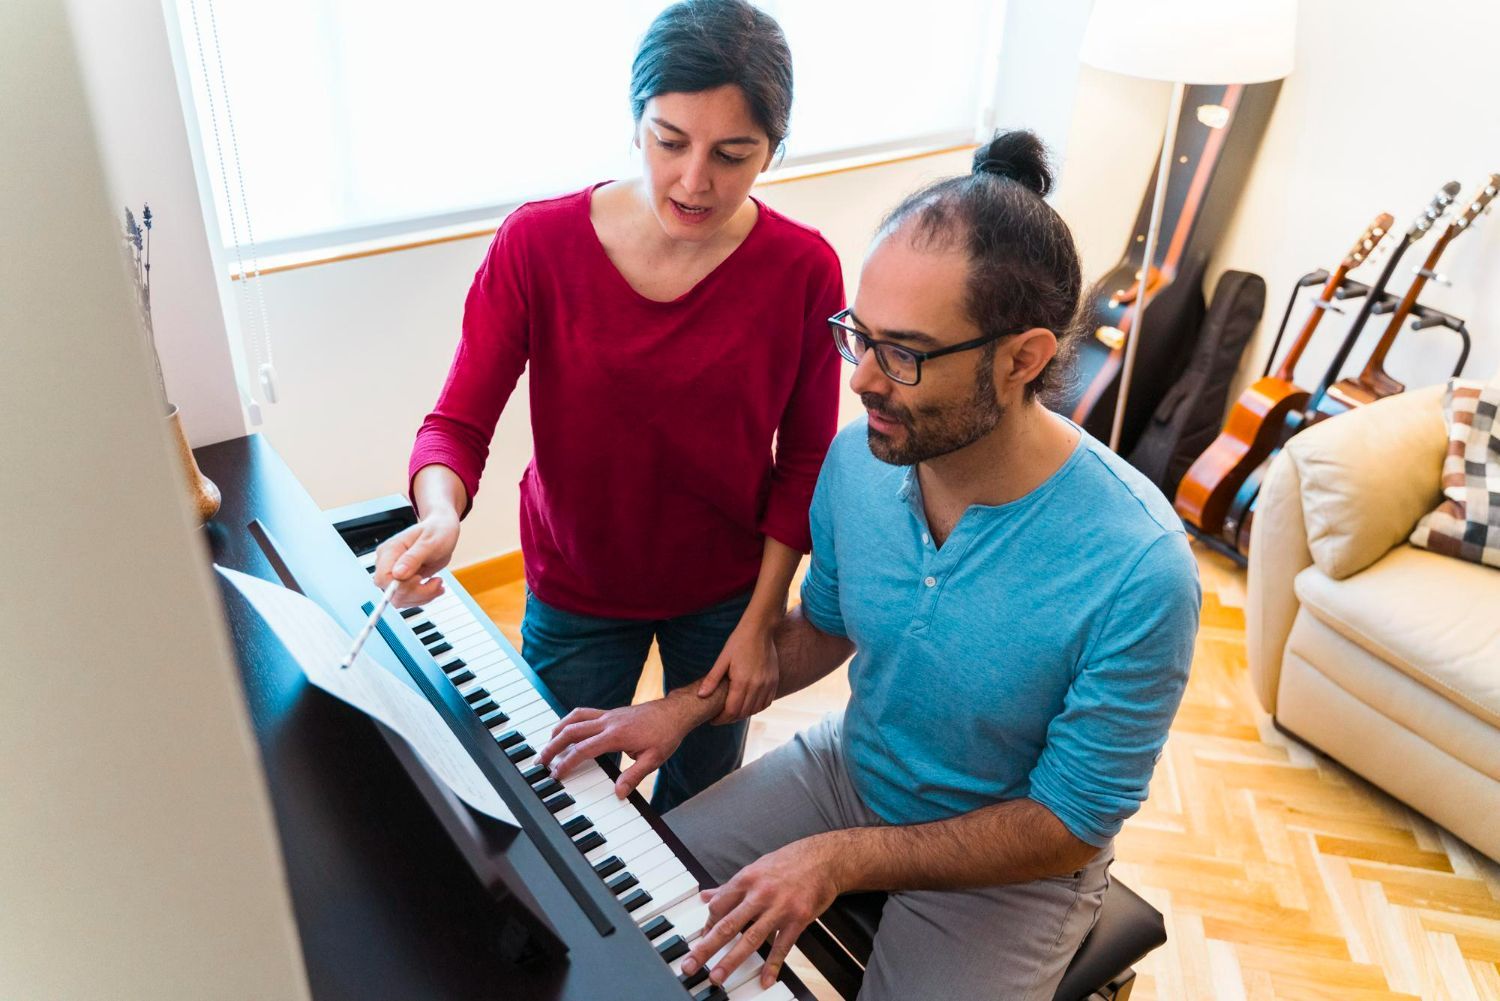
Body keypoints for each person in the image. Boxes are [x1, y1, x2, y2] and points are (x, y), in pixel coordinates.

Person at [539, 130, 1201, 999]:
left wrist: (840, 859)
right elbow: (826, 627)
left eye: (906, 354)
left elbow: (1069, 823)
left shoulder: (1140, 568)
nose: (862, 382)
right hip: (847, 773)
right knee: (618, 903)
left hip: (1013, 865)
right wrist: (680, 711)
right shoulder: (861, 464)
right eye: (862, 336)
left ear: (1024, 359)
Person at [374, 0, 843, 813]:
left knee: (698, 819)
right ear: (635, 126)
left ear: (774, 151)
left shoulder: (804, 271)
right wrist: (442, 515)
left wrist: (763, 619)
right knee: (561, 802)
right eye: (670, 142)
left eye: (733, 154)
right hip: (577, 585)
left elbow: (804, 463)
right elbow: (456, 424)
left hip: (726, 595)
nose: (695, 181)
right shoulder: (537, 245)